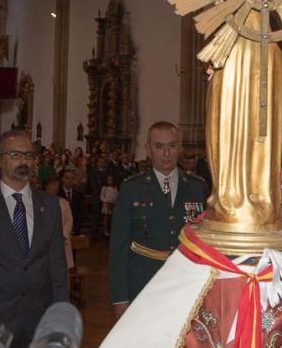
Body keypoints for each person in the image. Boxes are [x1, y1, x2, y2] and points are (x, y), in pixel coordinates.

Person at [0, 130, 68, 348]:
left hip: (40, 318)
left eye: (29, 155)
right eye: (15, 154)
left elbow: (57, 265)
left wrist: (60, 314)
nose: (23, 160)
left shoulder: (50, 205)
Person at [109, 121, 207, 318]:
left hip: (185, 283)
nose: (166, 153)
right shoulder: (131, 189)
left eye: (172, 146)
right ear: (148, 149)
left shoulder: (198, 187)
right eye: (159, 146)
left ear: (180, 148)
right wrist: (120, 298)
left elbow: (205, 243)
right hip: (143, 283)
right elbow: (118, 248)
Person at [43, 176, 75, 273]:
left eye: (57, 185)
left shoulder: (63, 202)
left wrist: (63, 234)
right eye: (53, 184)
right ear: (46, 186)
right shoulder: (39, 202)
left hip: (62, 240)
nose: (55, 187)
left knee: (62, 271)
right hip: (46, 241)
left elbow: (69, 220)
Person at [56, 168, 85, 236]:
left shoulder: (79, 194)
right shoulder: (57, 194)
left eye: (72, 178)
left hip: (75, 230)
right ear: (62, 179)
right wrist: (66, 229)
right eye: (67, 178)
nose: (70, 180)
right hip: (60, 230)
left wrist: (74, 229)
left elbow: (81, 213)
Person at [99, 173, 118, 238]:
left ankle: (112, 231)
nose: (110, 181)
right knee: (106, 218)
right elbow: (101, 196)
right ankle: (105, 231)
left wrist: (114, 202)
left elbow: (116, 196)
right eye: (109, 179)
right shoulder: (104, 187)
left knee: (112, 219)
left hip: (113, 205)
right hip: (106, 204)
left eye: (111, 179)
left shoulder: (115, 188)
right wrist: (106, 201)